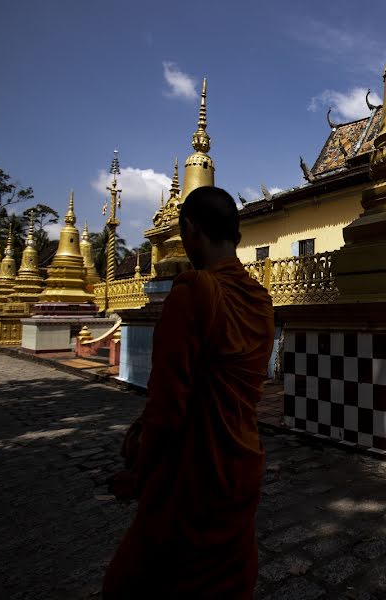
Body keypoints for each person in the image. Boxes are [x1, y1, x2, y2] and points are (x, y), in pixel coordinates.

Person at [103, 186, 275, 599]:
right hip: (239, 461)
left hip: (193, 469)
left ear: (191, 231)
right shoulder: (261, 300)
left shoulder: (193, 292)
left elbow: (167, 405)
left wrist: (142, 472)